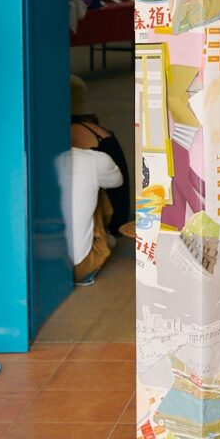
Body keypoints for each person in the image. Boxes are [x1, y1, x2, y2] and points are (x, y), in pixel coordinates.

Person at [61, 78, 126, 286]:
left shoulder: (38, 160)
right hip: (81, 265)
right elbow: (118, 182)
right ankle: (101, 240)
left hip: (44, 260)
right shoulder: (97, 154)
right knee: (96, 187)